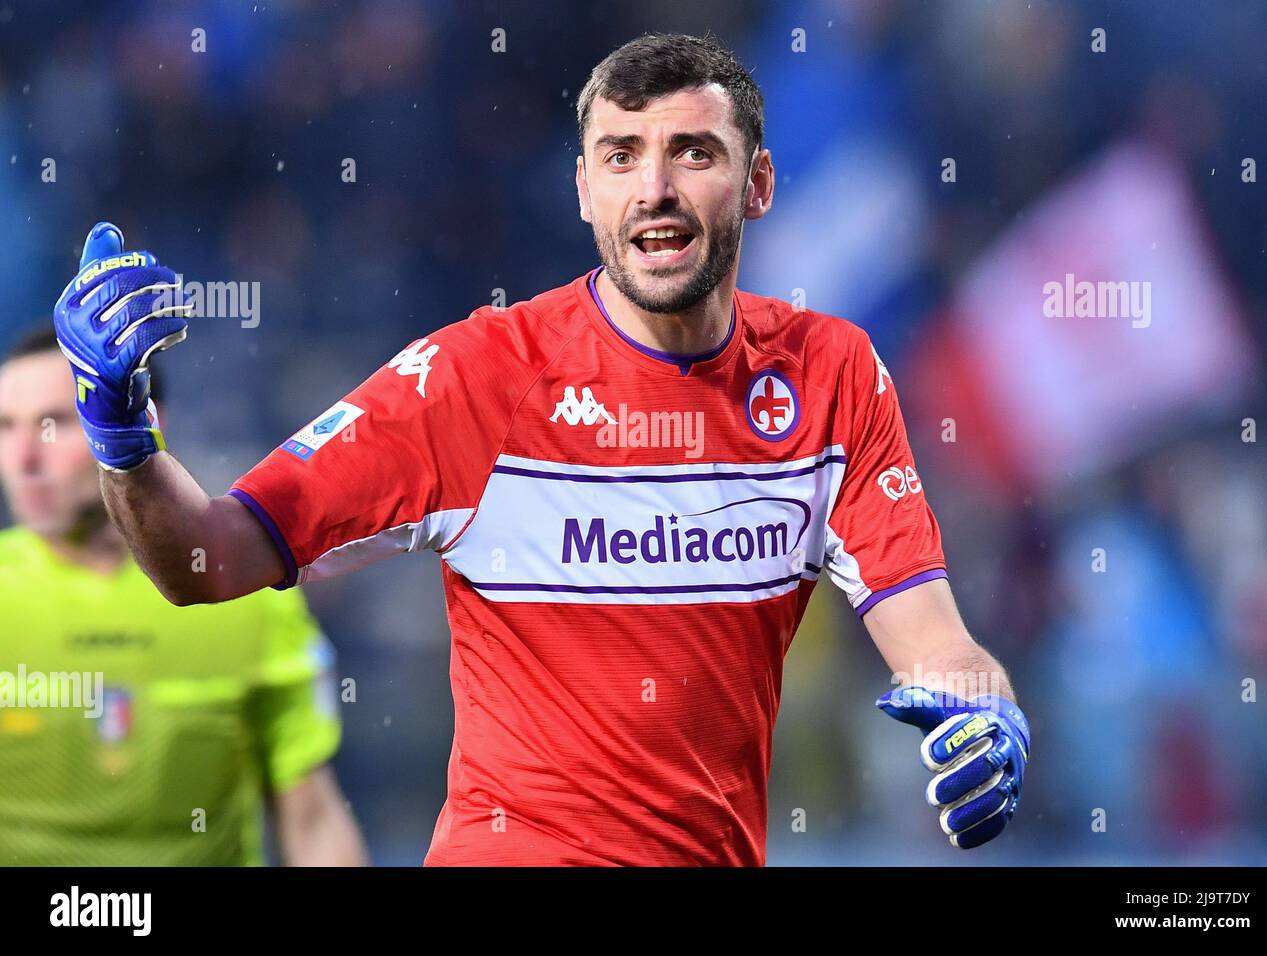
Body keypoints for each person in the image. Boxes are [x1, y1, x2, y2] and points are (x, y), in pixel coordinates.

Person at [51, 33, 1028, 865]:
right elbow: (206, 561)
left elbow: (935, 643)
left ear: (758, 182)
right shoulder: (475, 378)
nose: (654, 188)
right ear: (581, 190)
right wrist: (122, 433)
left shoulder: (830, 375)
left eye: (692, 152)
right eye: (619, 156)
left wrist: (986, 711)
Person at [0, 327, 367, 866]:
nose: (23, 458)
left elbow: (312, 823)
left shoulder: (246, 594)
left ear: (142, 423)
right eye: (6, 426)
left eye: (55, 424)